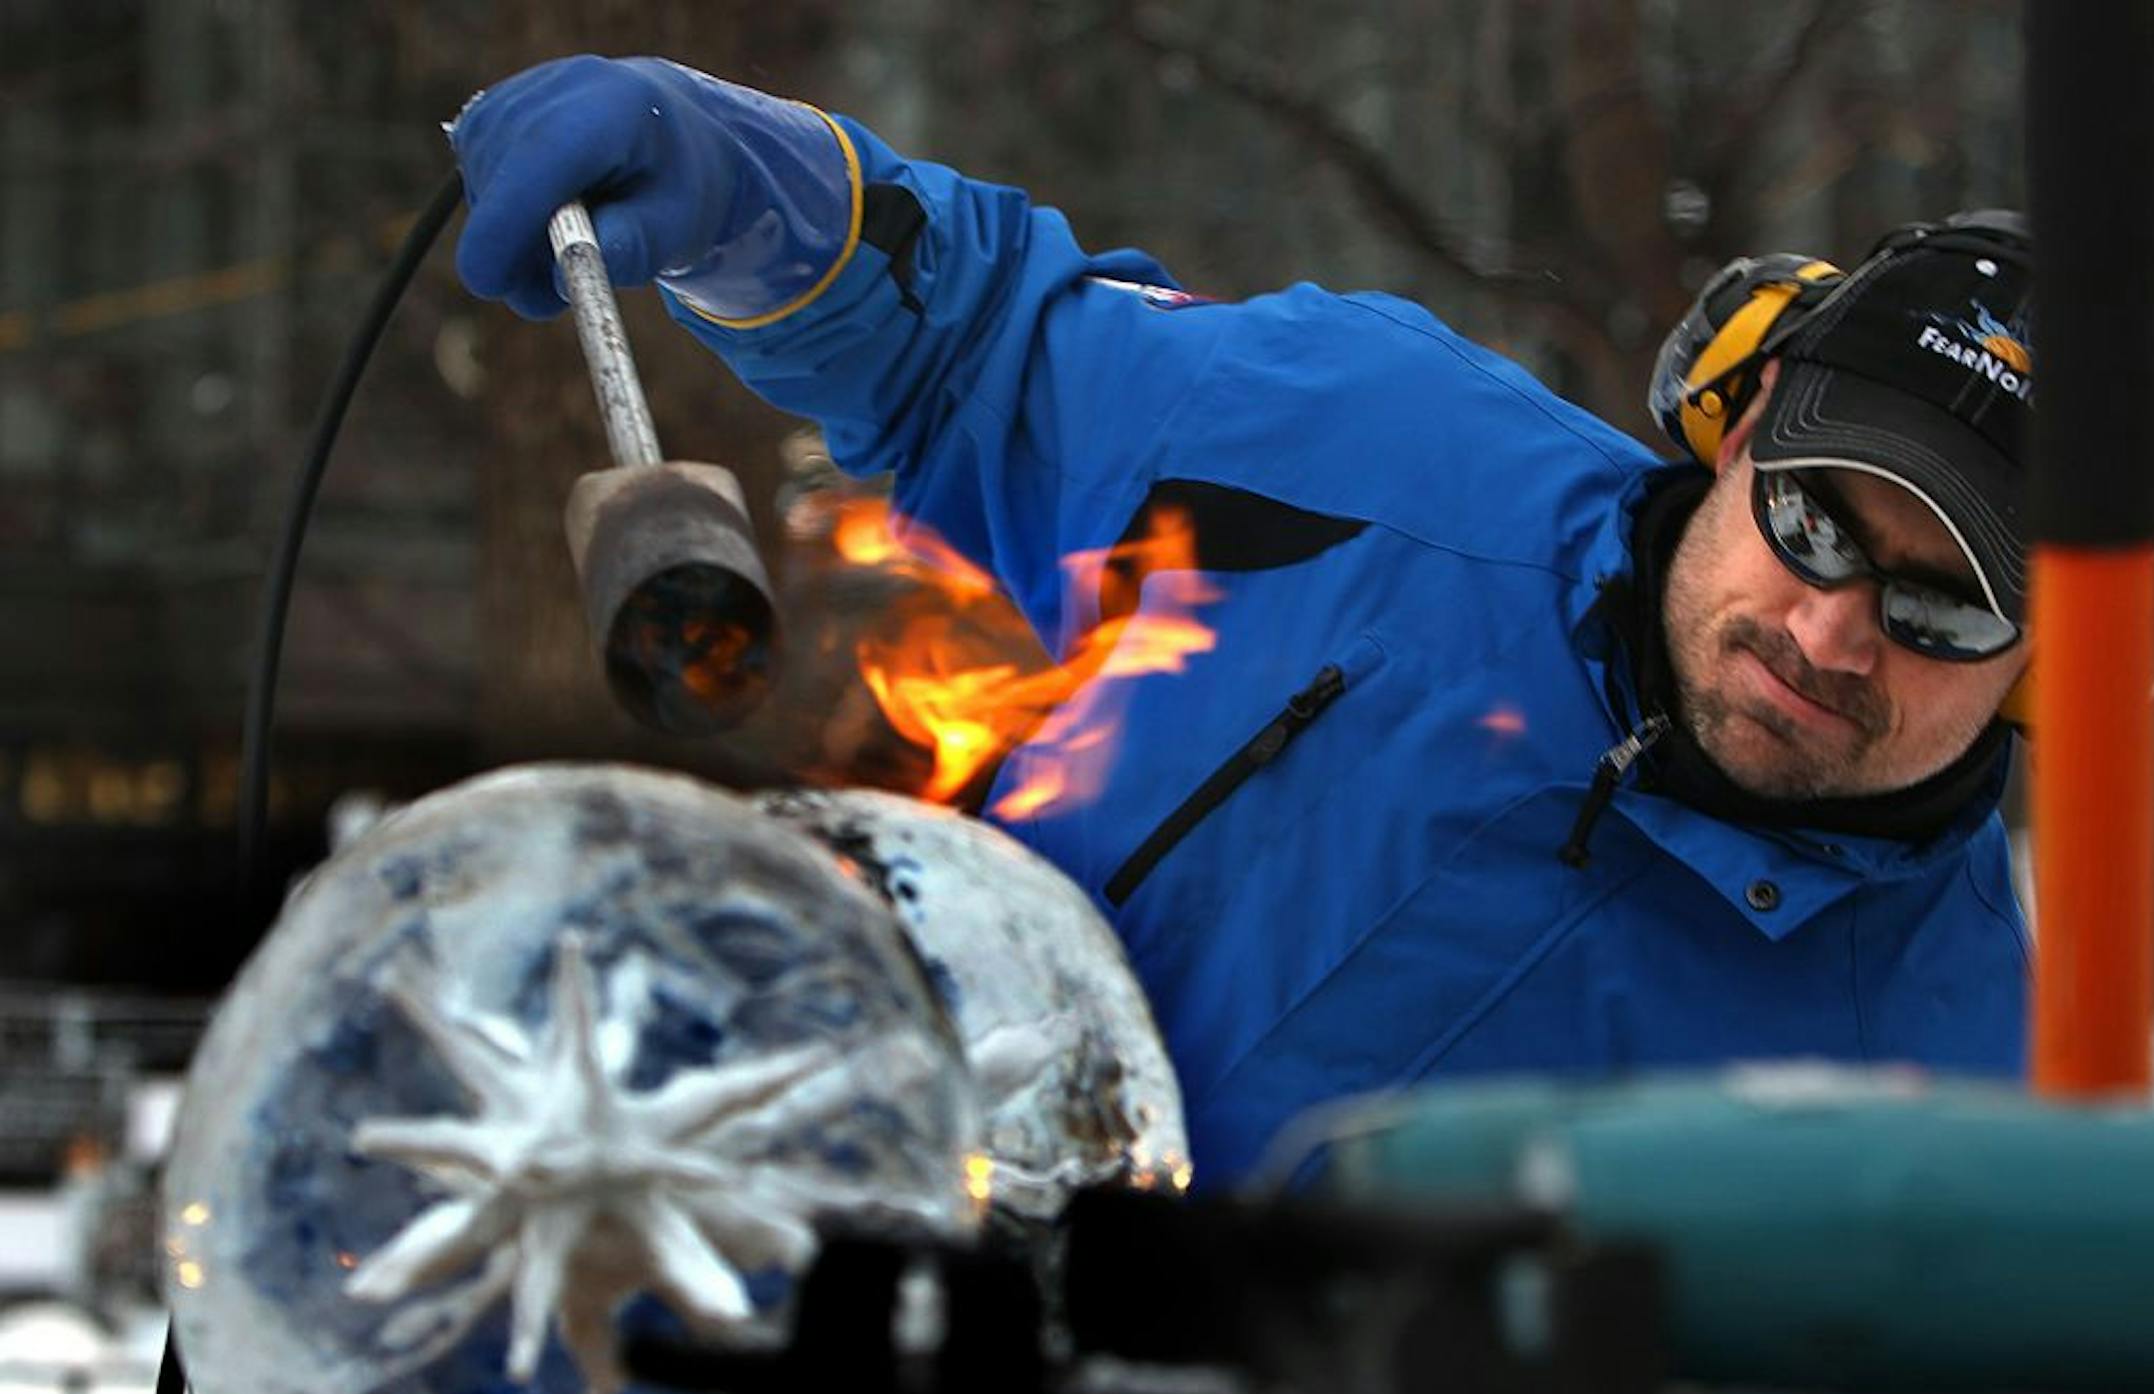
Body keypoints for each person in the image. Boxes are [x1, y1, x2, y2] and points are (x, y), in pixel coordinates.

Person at [450, 56, 2037, 1183]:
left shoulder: (1960, 1108)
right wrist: (754, 190)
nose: (1833, 635)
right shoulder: (1362, 440)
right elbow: (983, 350)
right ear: (1740, 411)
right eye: (1816, 524)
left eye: (1942, 608)